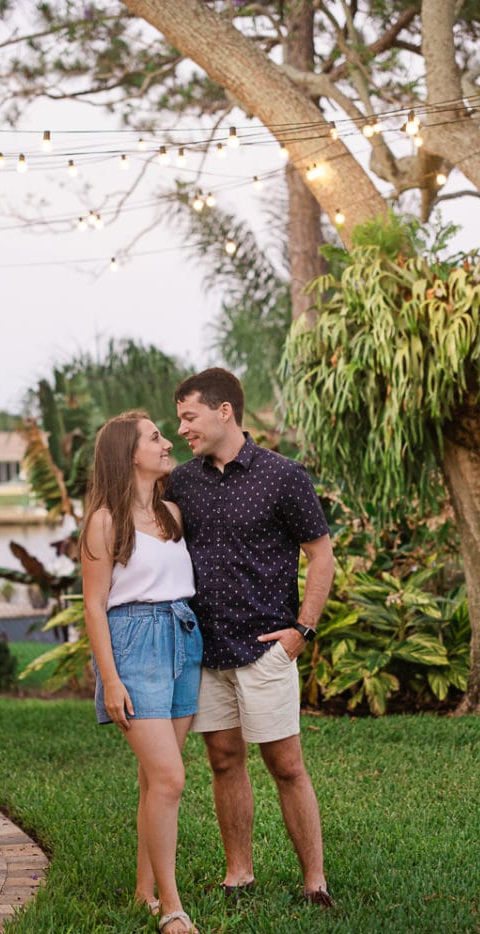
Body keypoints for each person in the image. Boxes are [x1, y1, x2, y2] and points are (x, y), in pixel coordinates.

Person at [166, 368, 336, 906]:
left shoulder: (284, 476)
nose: (182, 430)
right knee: (223, 760)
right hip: (207, 651)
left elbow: (321, 555)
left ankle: (315, 883)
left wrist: (302, 631)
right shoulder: (183, 482)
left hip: (266, 648)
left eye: (188, 417)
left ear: (224, 412)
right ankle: (239, 873)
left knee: (286, 765)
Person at [81, 411, 203, 934]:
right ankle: (172, 908)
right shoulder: (105, 521)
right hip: (135, 644)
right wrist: (110, 679)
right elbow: (93, 605)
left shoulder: (171, 512)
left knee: (156, 780)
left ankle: (144, 893)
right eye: (155, 436)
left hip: (184, 637)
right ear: (128, 453)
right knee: (171, 777)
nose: (166, 441)